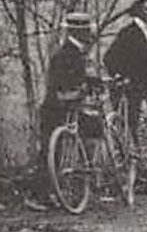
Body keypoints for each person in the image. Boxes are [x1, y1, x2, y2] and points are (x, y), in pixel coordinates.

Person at [32, 11, 98, 207]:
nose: (89, 34)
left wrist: (93, 83)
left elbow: (81, 77)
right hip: (56, 108)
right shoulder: (66, 54)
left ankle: (73, 189)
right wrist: (81, 90)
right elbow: (61, 84)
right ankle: (41, 195)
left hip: (68, 107)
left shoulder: (77, 52)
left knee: (85, 137)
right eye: (86, 30)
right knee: (50, 152)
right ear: (78, 32)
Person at [102, 0, 147, 139]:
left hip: (141, 85)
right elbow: (109, 57)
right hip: (126, 87)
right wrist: (120, 75)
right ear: (139, 10)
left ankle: (136, 155)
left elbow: (145, 62)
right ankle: (127, 156)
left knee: (138, 125)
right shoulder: (128, 33)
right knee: (128, 126)